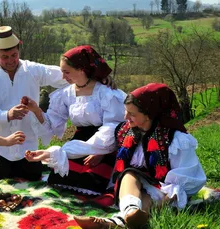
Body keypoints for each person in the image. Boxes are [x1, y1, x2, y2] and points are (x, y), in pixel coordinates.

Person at [74, 83, 206, 229]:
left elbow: (187, 176)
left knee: (147, 195)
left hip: (165, 189)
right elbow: (104, 146)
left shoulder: (175, 139)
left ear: (149, 114)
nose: (125, 117)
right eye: (126, 112)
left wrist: (169, 196)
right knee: (129, 174)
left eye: (132, 114)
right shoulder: (125, 131)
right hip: (132, 186)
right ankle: (131, 213)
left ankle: (116, 222)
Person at [24, 45, 126, 195]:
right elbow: (52, 123)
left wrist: (100, 152)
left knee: (91, 185)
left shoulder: (106, 93)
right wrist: (36, 110)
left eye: (67, 72)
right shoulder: (65, 94)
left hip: (105, 144)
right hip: (79, 141)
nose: (63, 77)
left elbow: (113, 127)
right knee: (60, 180)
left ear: (82, 69)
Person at [0, 26, 69, 181]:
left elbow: (65, 75)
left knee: (32, 174)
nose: (10, 61)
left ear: (19, 50)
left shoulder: (32, 70)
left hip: (26, 146)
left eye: (14, 55)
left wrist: (95, 77)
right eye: (5, 57)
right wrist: (7, 115)